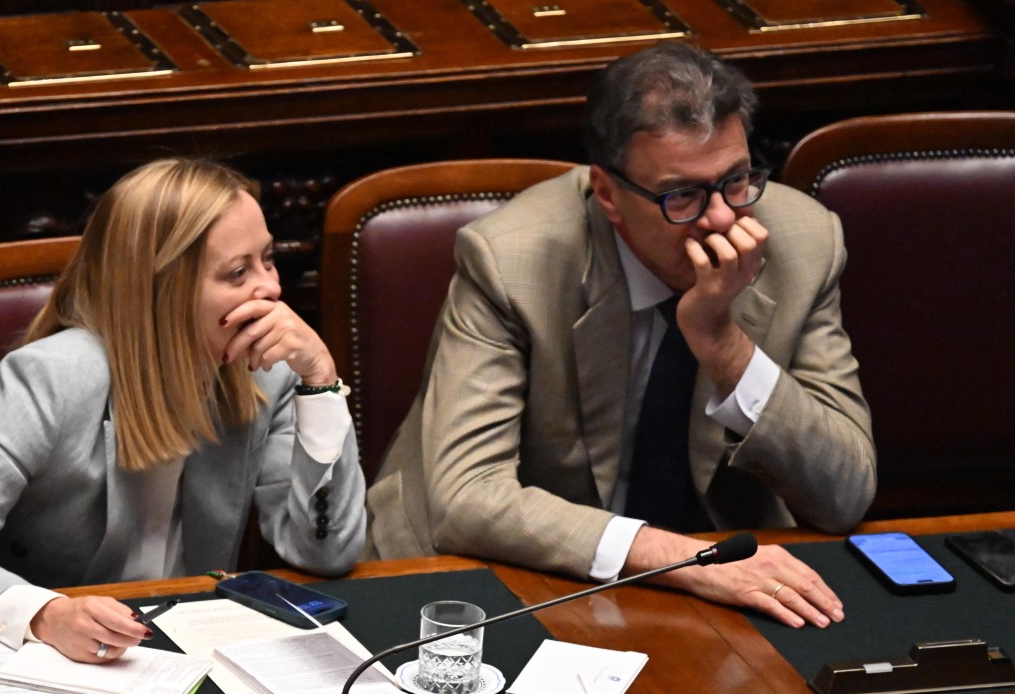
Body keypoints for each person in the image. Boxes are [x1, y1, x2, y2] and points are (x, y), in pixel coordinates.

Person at [365, 42, 876, 629]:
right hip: (494, 573)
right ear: (608, 194)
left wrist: (723, 344)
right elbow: (468, 498)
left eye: (736, 180)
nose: (721, 218)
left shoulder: (803, 243)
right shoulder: (511, 261)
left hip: (716, 585)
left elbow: (844, 493)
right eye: (682, 194)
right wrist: (681, 559)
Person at [0, 158, 366, 660]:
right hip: (31, 656)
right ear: (161, 288)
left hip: (177, 650)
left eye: (268, 260)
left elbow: (326, 552)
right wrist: (45, 614)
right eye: (238, 272)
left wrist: (320, 380)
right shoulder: (52, 378)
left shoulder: (267, 373)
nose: (271, 288)